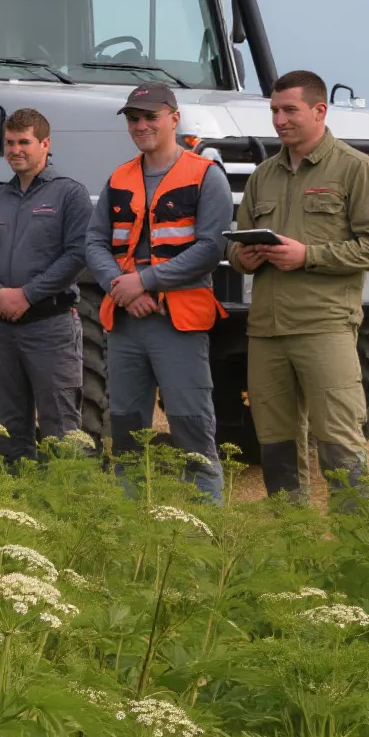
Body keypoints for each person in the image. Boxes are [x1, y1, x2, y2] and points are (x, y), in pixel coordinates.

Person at [231, 69, 369, 504]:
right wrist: (242, 257)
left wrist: (309, 256)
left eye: (290, 110)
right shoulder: (263, 175)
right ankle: (293, 549)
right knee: (276, 446)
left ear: (320, 111)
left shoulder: (356, 169)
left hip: (324, 326)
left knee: (340, 443)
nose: (279, 120)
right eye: (274, 111)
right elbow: (238, 246)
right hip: (266, 330)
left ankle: (357, 555)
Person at [85, 84, 232, 503]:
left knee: (192, 431)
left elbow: (210, 248)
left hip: (178, 323)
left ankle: (206, 531)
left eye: (151, 116)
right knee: (127, 434)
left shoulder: (206, 175)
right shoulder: (119, 177)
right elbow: (94, 243)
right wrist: (123, 288)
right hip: (127, 322)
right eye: (134, 118)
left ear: (174, 117)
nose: (142, 125)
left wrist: (145, 282)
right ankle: (132, 533)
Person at [0, 107, 94, 463]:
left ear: (45, 144)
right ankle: (16, 507)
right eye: (10, 142)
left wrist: (28, 294)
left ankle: (68, 511)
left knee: (62, 428)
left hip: (50, 326)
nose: (16, 150)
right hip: (3, 329)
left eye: (24, 142)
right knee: (7, 428)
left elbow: (77, 254)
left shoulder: (69, 194)